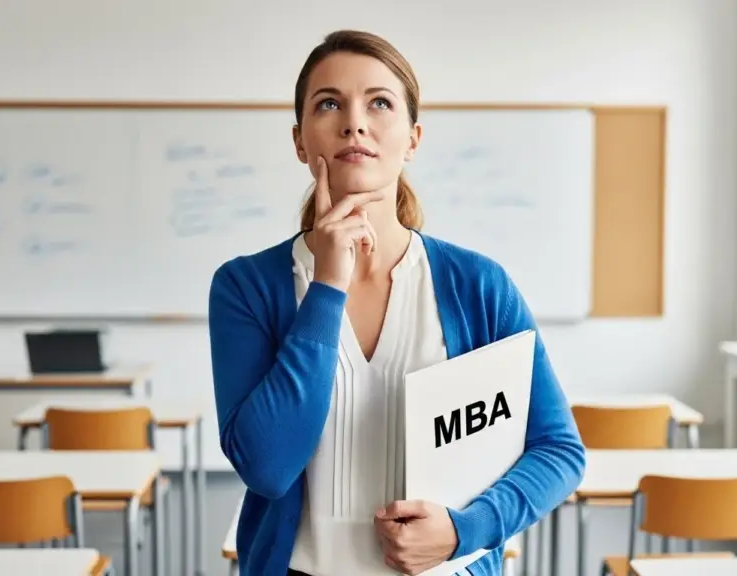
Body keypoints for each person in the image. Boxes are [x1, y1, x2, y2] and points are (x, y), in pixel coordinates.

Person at [208, 29, 586, 576]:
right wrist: (328, 287)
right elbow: (267, 467)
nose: (354, 122)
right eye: (329, 103)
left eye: (379, 102)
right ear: (299, 141)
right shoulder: (246, 286)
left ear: (412, 137)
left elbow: (558, 450)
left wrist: (466, 530)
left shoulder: (478, 285)